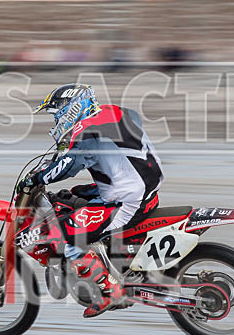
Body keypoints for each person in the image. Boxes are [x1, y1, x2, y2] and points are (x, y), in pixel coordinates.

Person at [18, 83, 164, 317]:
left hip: (128, 199)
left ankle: (110, 291)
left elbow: (71, 164)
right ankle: (111, 259)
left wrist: (36, 178)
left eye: (56, 114)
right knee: (73, 195)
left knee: (66, 236)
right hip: (144, 188)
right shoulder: (113, 111)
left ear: (71, 108)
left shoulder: (86, 129)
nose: (56, 122)